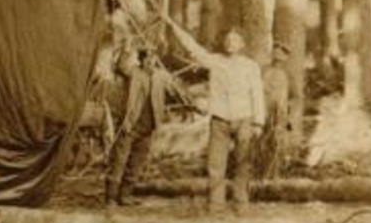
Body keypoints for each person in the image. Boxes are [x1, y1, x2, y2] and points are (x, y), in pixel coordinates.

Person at [164, 16, 265, 212]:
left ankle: (241, 203)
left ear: (242, 44)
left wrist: (258, 123)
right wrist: (172, 25)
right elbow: (193, 48)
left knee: (243, 163)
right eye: (227, 39)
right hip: (220, 119)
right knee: (216, 164)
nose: (230, 43)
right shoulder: (215, 61)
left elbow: (258, 94)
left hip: (245, 119)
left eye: (235, 40)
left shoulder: (251, 66)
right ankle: (216, 204)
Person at [105, 46, 169, 206]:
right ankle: (111, 197)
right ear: (140, 60)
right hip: (130, 125)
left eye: (153, 57)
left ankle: (125, 196)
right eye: (146, 58)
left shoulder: (160, 76)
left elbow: (174, 90)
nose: (150, 61)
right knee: (119, 161)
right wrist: (126, 48)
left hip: (148, 128)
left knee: (136, 162)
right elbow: (119, 67)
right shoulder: (133, 72)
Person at [258, 42, 293, 181]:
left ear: (285, 58)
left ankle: (275, 175)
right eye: (275, 53)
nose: (278, 57)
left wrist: (285, 117)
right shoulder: (265, 72)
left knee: (277, 144)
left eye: (281, 55)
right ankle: (262, 175)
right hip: (265, 112)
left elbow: (285, 98)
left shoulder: (285, 75)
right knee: (263, 143)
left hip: (279, 115)